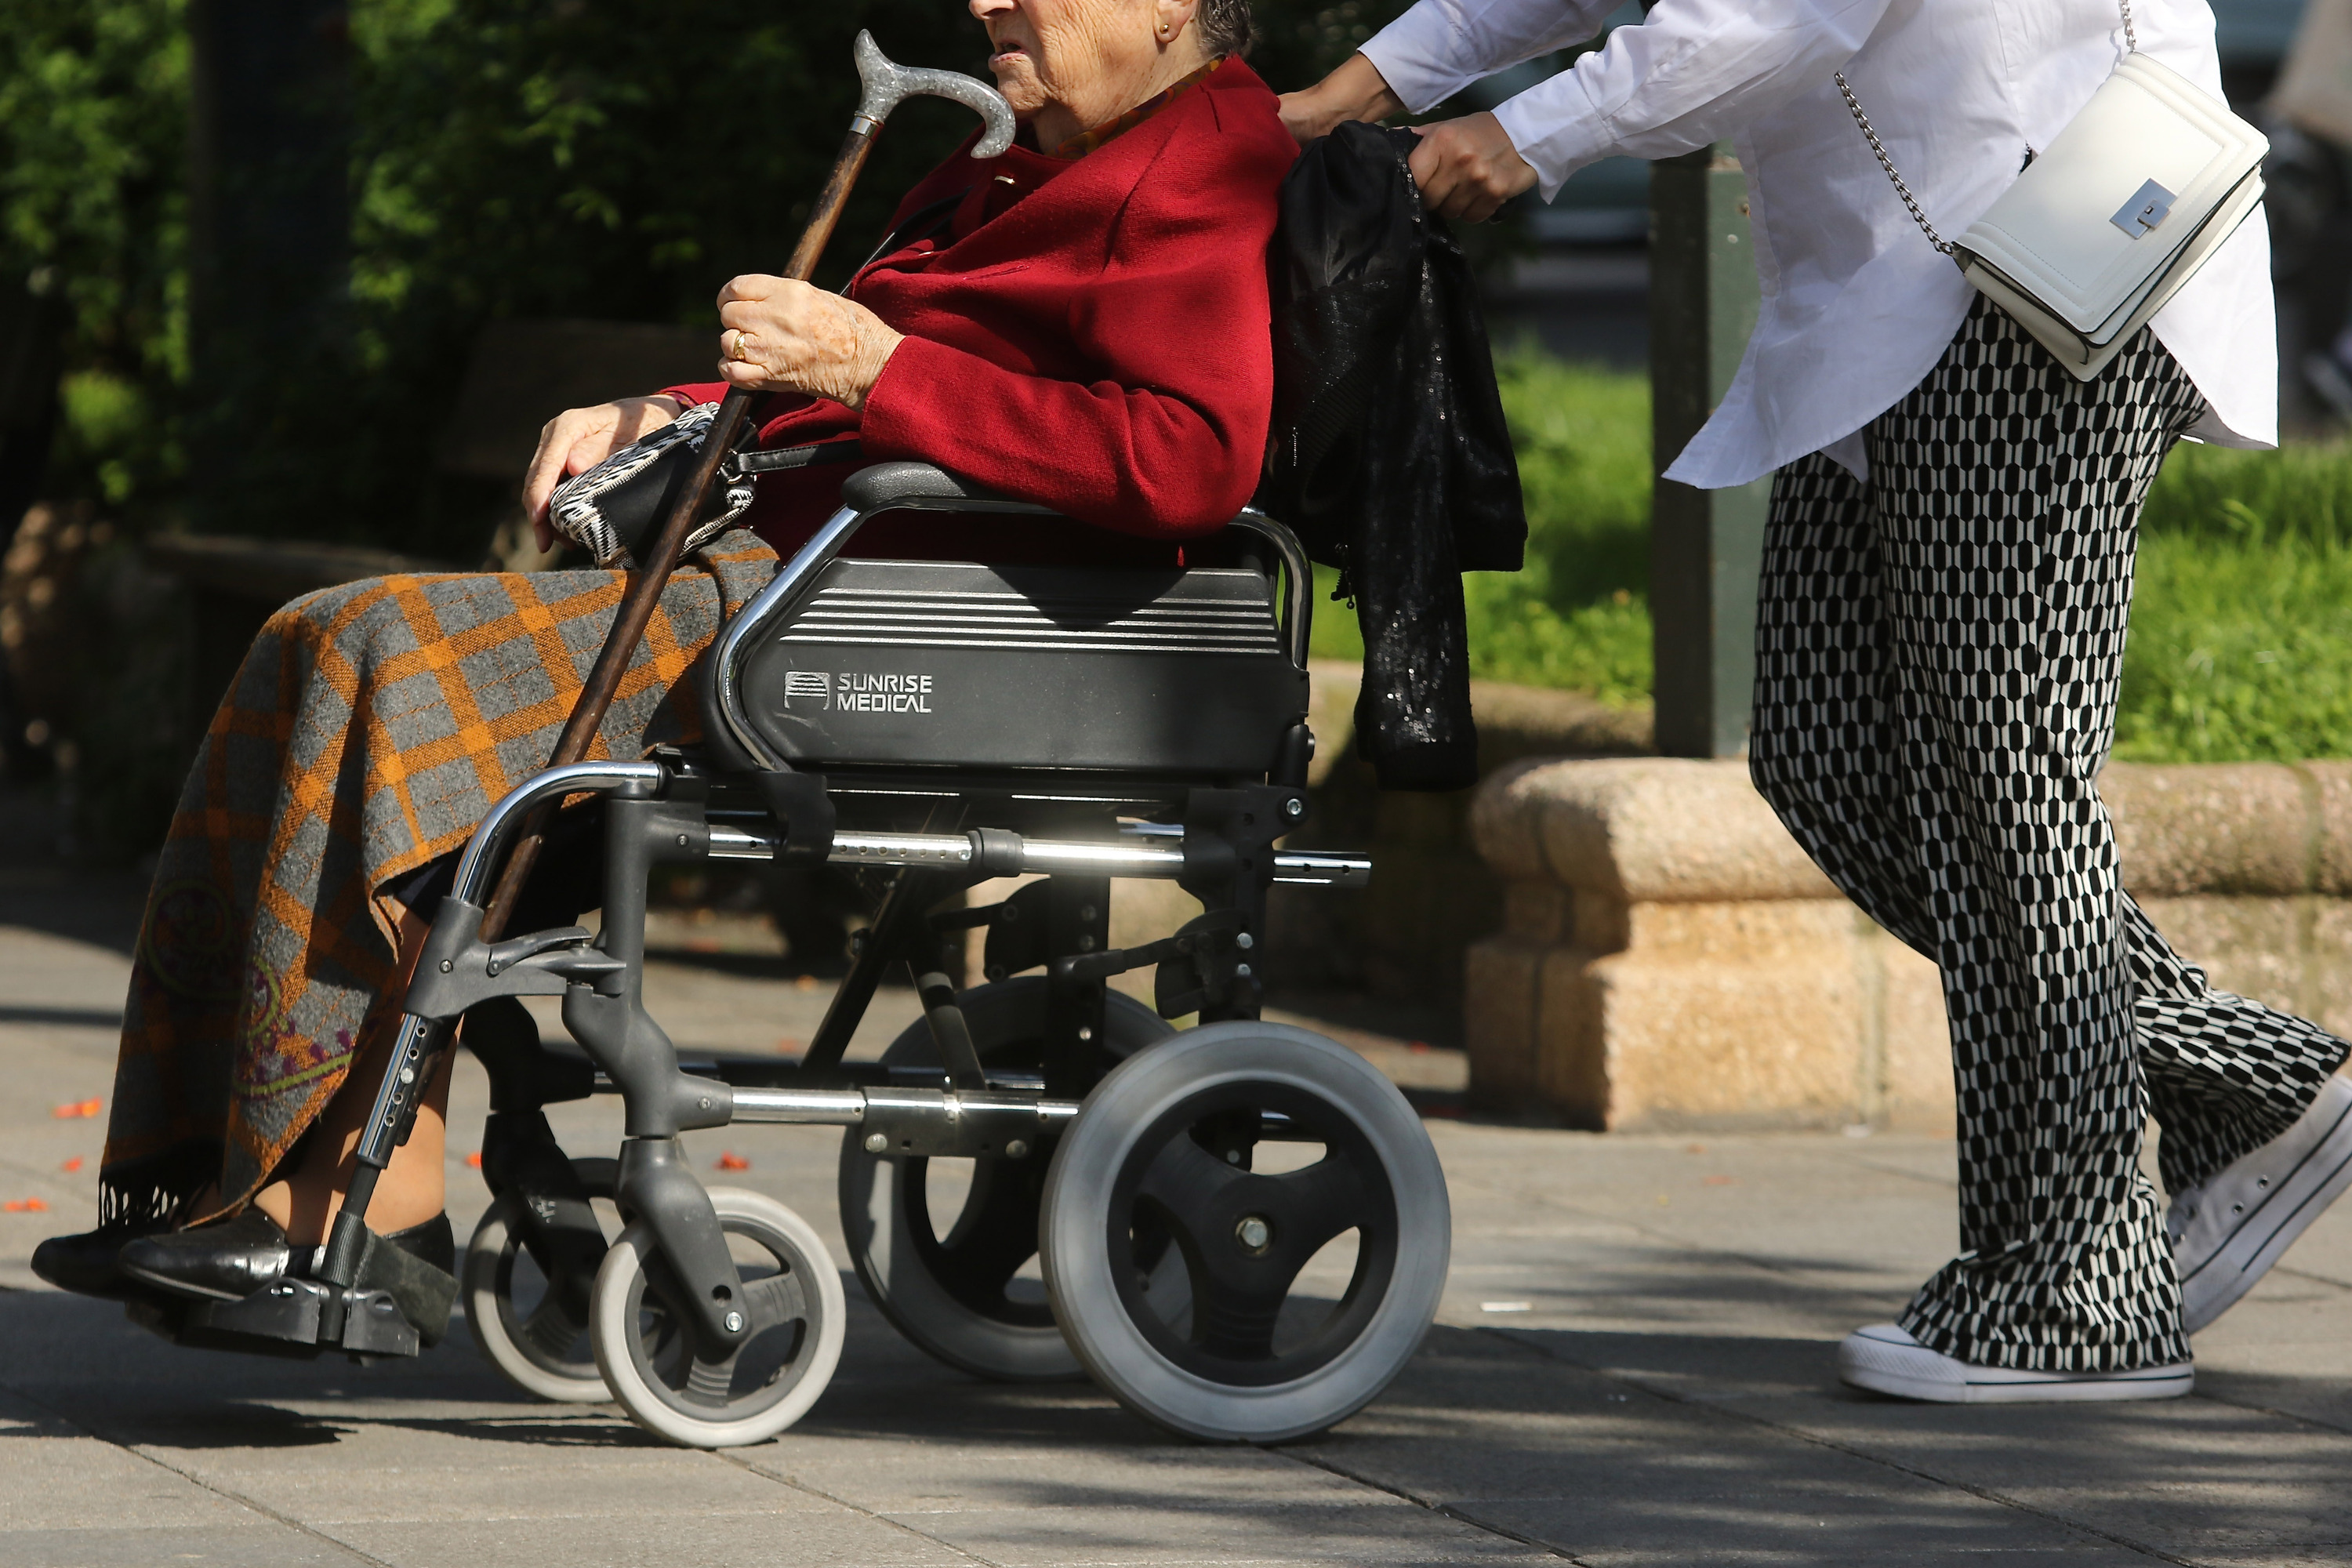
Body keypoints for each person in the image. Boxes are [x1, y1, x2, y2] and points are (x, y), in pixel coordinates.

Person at [34, 0, 1294, 1308]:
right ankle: (222, 1156)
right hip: (792, 583)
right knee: (318, 636)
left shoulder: (1204, 166)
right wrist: (666, 408)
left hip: (891, 614)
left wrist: (878, 364)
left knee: (379, 652)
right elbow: (836, 389)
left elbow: (1190, 460)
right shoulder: (1014, 159)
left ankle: (371, 1199)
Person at [1284, 0, 2352, 1403]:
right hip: (1892, 294)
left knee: (2006, 778)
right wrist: (1363, 85)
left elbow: (1778, 14)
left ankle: (2080, 1286)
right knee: (1826, 756)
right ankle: (2262, 1082)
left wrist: (1527, 134)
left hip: (2039, 255)